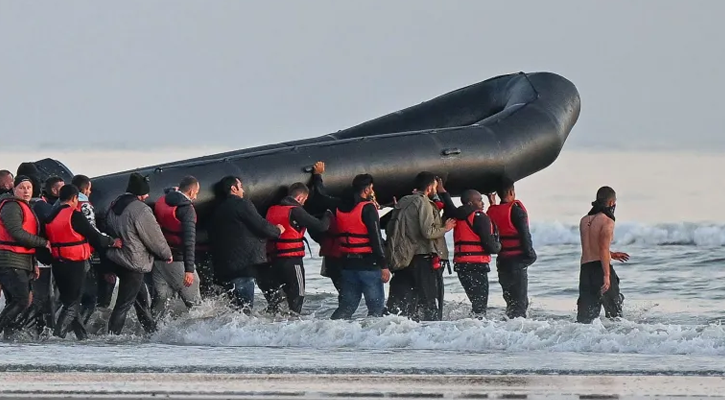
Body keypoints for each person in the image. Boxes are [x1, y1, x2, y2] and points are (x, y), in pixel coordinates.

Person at [44, 184, 121, 339]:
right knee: (72, 304)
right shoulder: (74, 214)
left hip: (58, 262)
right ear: (74, 198)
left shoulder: (51, 215)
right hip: (74, 263)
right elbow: (94, 235)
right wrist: (112, 242)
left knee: (69, 301)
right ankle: (57, 337)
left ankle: (82, 337)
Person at [103, 173, 172, 335]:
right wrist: (166, 253)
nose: (148, 196)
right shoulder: (141, 210)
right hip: (133, 261)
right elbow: (153, 236)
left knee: (142, 302)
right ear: (140, 193)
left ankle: (152, 334)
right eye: (146, 193)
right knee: (123, 304)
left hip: (116, 258)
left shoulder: (114, 205)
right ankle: (111, 339)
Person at [385, 171, 456, 321]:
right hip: (423, 259)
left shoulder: (403, 202)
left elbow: (390, 228)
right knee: (429, 301)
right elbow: (428, 232)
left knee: (407, 303)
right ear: (430, 188)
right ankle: (431, 336)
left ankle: (408, 332)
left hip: (404, 259)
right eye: (435, 187)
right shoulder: (423, 202)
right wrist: (446, 228)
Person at [209, 176, 284, 314]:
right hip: (244, 266)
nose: (243, 190)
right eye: (240, 186)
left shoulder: (218, 209)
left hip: (225, 267)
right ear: (233, 188)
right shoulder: (242, 204)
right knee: (245, 310)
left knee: (235, 311)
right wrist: (277, 230)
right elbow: (261, 225)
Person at [264, 182, 331, 315]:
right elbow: (321, 226)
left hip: (273, 261)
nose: (304, 204)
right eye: (304, 200)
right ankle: (293, 326)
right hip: (292, 261)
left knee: (277, 301)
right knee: (297, 296)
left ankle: (273, 327)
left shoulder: (271, 209)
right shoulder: (295, 210)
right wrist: (328, 214)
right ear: (300, 198)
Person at [330, 174, 389, 319]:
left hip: (347, 265)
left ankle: (327, 333)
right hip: (368, 265)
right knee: (376, 309)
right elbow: (376, 239)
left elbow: (322, 195)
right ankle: (371, 340)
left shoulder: (339, 207)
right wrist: (384, 265)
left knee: (347, 306)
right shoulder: (368, 208)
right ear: (368, 189)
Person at [0, 176, 51, 337]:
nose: (26, 191)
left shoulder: (25, 206)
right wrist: (43, 243)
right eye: (22, 187)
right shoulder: (11, 206)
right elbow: (16, 232)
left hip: (22, 260)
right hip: (10, 259)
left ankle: (9, 336)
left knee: (16, 301)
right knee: (23, 300)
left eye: (29, 187)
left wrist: (33, 263)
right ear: (14, 189)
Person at [151, 176, 202, 321]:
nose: (196, 196)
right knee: (197, 307)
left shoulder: (164, 199)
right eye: (196, 192)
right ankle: (199, 337)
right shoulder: (187, 210)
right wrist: (189, 270)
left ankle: (152, 336)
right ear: (191, 191)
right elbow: (189, 241)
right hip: (178, 261)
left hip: (158, 259)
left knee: (161, 301)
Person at [577, 186, 630, 323]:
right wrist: (606, 276)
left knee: (585, 320)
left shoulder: (584, 220)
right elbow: (601, 248)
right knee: (615, 316)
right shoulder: (607, 221)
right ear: (612, 203)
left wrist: (611, 254)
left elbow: (592, 247)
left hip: (585, 271)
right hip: (600, 269)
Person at [487, 178, 536, 319]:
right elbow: (525, 235)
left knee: (510, 302)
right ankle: (517, 337)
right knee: (520, 304)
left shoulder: (492, 211)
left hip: (502, 262)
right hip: (517, 260)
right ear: (511, 192)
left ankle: (508, 331)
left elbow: (497, 215)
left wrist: (492, 203)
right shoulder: (516, 211)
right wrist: (531, 256)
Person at [71, 174, 115, 324]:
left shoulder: (63, 204)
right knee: (89, 298)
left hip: (65, 255)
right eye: (89, 189)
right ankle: (77, 331)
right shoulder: (85, 205)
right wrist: (110, 242)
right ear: (86, 188)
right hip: (84, 255)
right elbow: (92, 233)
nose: (90, 192)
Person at [452, 189, 501, 318]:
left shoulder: (456, 215)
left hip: (461, 266)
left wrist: (443, 193)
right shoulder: (480, 217)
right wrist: (499, 246)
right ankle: (476, 332)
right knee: (480, 306)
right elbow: (490, 246)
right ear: (470, 203)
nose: (482, 203)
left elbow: (449, 205)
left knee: (476, 303)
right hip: (476, 265)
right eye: (479, 200)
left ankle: (472, 329)